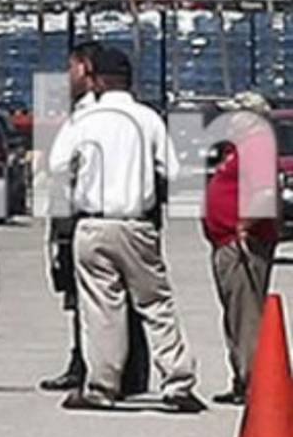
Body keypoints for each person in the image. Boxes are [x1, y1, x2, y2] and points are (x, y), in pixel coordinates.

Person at [50, 47, 205, 413]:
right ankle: (177, 382)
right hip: (136, 224)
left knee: (101, 307)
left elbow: (57, 165)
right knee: (156, 303)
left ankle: (101, 386)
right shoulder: (146, 118)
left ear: (97, 79)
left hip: (92, 223)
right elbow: (173, 170)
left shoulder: (84, 119)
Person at [40, 42, 150, 396]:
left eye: (72, 68)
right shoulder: (86, 111)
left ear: (87, 70)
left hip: (94, 216)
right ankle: (90, 364)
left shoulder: (93, 115)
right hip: (88, 214)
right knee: (84, 298)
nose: (67, 76)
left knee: (105, 302)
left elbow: (64, 169)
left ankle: (107, 373)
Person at [203, 91, 280, 405]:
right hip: (226, 242)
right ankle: (241, 377)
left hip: (243, 243)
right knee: (235, 313)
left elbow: (263, 193)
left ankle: (252, 383)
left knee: (246, 314)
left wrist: (244, 226)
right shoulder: (239, 148)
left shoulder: (258, 145)